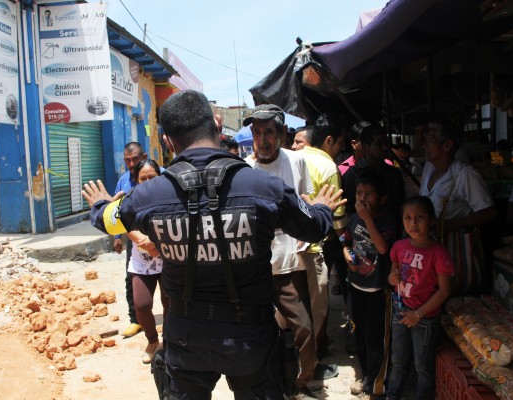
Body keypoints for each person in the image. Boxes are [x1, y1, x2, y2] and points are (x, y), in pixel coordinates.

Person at [82, 90, 346, 399]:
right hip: (251, 338)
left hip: (184, 338)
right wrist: (323, 208)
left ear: (168, 141)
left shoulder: (149, 195)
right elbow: (314, 228)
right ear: (218, 130)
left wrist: (100, 205)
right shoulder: (266, 188)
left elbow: (109, 220)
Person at [244, 105, 338, 397]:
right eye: (257, 132)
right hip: (257, 268)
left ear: (282, 133)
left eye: (268, 132)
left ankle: (301, 382)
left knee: (304, 329)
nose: (262, 139)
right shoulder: (245, 168)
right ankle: (270, 382)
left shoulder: (297, 161)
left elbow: (305, 199)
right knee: (262, 331)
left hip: (291, 263)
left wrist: (309, 225)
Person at [386, 196, 454, 400]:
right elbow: (392, 276)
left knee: (422, 365)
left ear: (431, 220)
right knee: (398, 359)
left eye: (419, 217)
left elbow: (444, 291)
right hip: (401, 311)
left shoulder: (439, 253)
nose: (413, 223)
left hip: (425, 318)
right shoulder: (399, 246)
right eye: (407, 218)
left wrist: (418, 313)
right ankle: (392, 394)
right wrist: (392, 278)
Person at [419, 120, 496, 295]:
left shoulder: (465, 175)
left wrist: (452, 225)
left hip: (452, 248)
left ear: (447, 146)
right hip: (428, 247)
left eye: (430, 141)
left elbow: (490, 212)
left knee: (450, 293)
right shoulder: (429, 169)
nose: (424, 146)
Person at [340, 171, 396, 399]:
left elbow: (383, 249)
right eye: (359, 193)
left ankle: (376, 384)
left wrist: (368, 219)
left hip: (377, 288)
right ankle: (365, 375)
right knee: (359, 334)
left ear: (381, 198)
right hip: (356, 286)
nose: (363, 199)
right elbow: (346, 240)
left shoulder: (387, 220)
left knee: (376, 338)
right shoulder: (353, 219)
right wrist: (346, 254)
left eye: (369, 194)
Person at [295, 118, 348, 360]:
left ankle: (295, 359)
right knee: (317, 307)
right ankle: (314, 359)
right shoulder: (328, 167)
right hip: (315, 246)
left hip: (287, 247)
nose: (339, 150)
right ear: (328, 141)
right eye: (338, 144)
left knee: (294, 307)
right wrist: (346, 244)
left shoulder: (289, 158)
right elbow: (337, 214)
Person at [126, 159, 169, 364]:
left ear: (160, 177)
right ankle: (152, 341)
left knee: (171, 304)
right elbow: (122, 222)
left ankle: (169, 342)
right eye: (143, 178)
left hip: (168, 257)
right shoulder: (131, 198)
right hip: (142, 258)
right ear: (136, 180)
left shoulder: (170, 197)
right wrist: (143, 240)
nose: (148, 181)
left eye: (152, 177)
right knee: (141, 305)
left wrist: (157, 243)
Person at [114, 142, 147, 338]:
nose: (131, 163)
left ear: (143, 156)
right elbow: (117, 210)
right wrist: (117, 237)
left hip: (158, 236)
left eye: (135, 159)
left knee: (167, 279)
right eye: (127, 160)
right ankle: (136, 320)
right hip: (133, 238)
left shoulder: (159, 173)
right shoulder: (123, 181)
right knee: (131, 279)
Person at [342, 124, 405, 226]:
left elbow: (401, 206)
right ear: (366, 147)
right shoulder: (353, 174)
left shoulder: (394, 174)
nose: (384, 148)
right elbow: (348, 210)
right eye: (379, 144)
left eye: (386, 143)